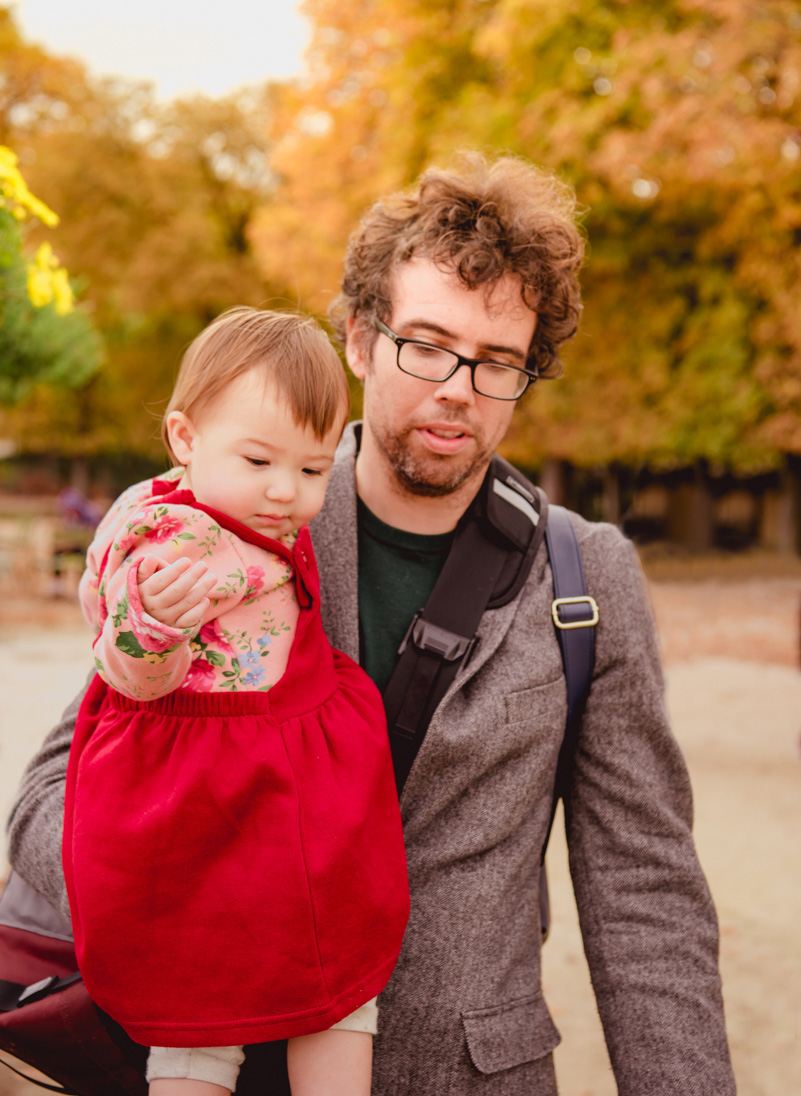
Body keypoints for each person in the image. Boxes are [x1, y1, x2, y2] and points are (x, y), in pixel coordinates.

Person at [6, 153, 736, 1094]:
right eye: (426, 345)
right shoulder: (218, 529)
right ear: (358, 339)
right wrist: (203, 887)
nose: (458, 387)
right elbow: (45, 808)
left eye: (498, 362)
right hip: (216, 1058)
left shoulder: (587, 578)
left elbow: (645, 893)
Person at [61, 308, 409, 1096]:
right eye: (258, 460)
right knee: (196, 990)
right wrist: (152, 626)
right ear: (184, 439)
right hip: (199, 796)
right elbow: (129, 673)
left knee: (340, 990)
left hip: (298, 782)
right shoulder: (171, 543)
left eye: (314, 470)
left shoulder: (254, 511)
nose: (285, 492)